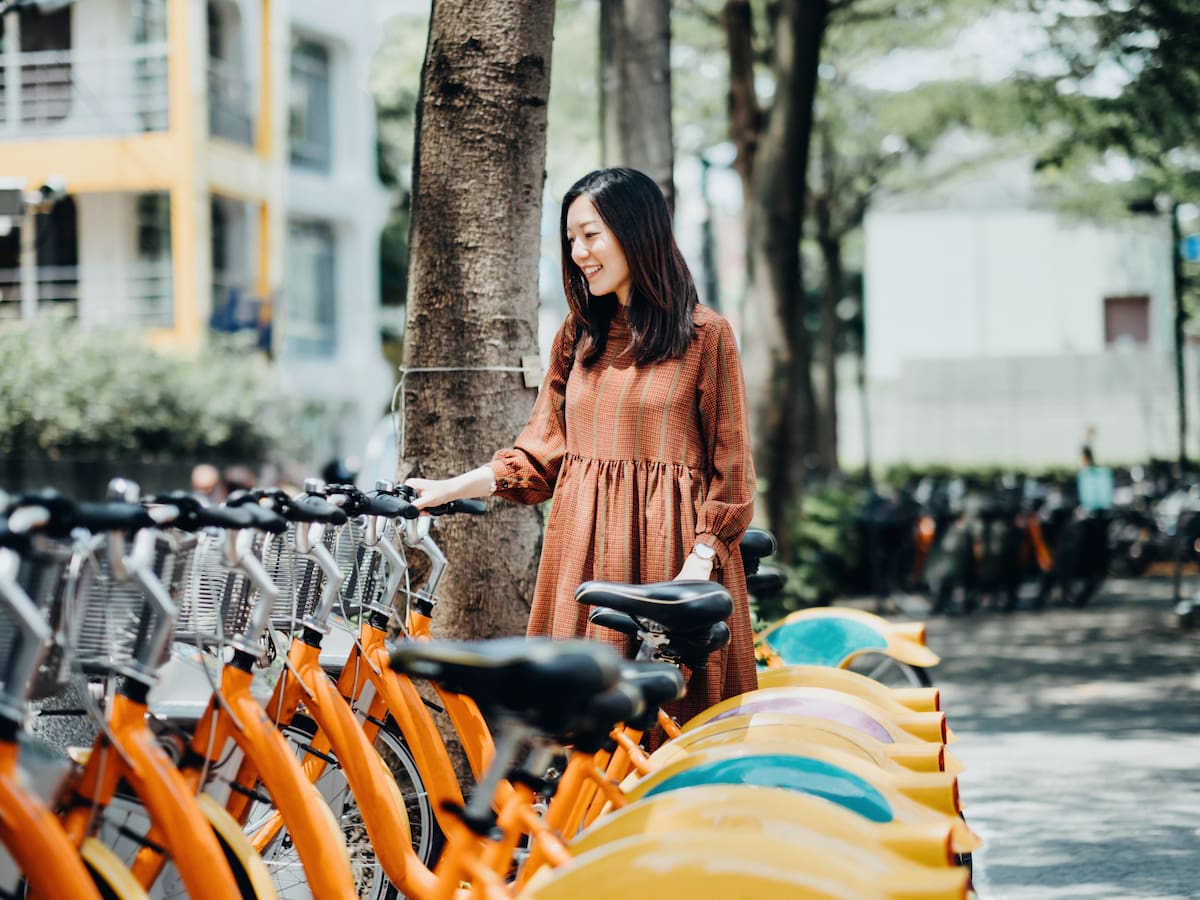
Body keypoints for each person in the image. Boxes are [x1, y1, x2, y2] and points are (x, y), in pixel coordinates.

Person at [404, 167, 758, 724]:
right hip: (584, 552)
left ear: (636, 231)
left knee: (677, 737)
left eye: (590, 234)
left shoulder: (705, 336)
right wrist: (452, 486)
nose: (578, 252)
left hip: (674, 554)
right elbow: (542, 453)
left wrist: (701, 560)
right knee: (582, 739)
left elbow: (731, 467)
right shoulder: (579, 335)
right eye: (571, 239)